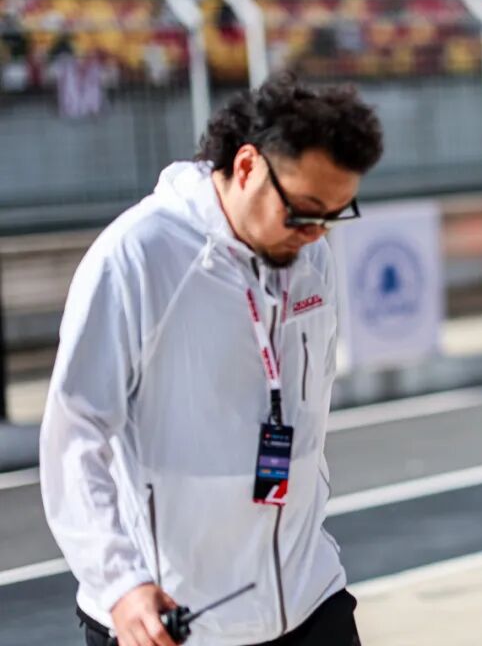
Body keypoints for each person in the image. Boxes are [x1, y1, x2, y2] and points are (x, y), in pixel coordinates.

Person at [40, 72, 382, 646]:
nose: (316, 233)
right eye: (304, 211)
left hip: (307, 597)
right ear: (247, 166)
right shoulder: (138, 256)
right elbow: (74, 434)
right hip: (175, 618)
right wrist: (120, 583)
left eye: (333, 215)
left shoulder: (310, 257)